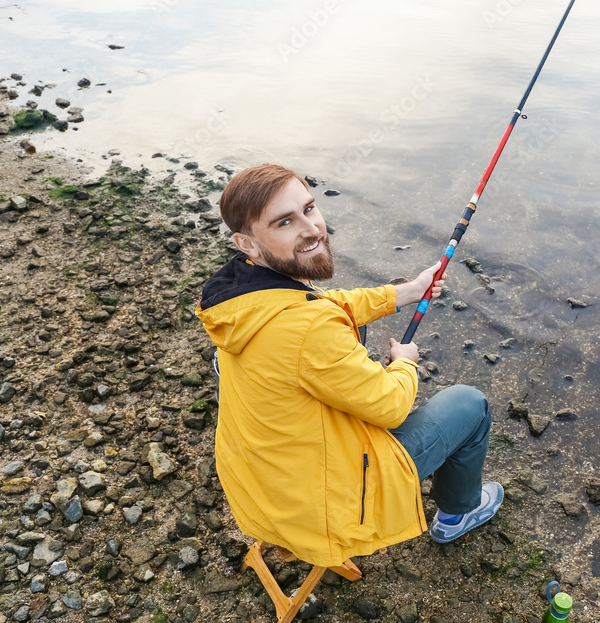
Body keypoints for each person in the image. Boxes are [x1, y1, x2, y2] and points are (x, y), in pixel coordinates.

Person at [195, 164, 503, 567]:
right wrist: (403, 364)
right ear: (248, 243)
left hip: (256, 494)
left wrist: (405, 292)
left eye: (309, 208)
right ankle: (457, 514)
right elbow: (391, 406)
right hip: (319, 512)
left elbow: (324, 303)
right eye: (285, 221)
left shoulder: (240, 299)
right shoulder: (308, 329)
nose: (311, 229)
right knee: (469, 404)